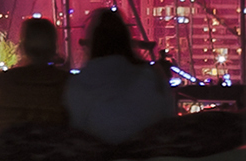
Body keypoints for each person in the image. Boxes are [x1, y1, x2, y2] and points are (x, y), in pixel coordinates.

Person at [68, 8, 174, 149]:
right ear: (127, 39)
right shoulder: (154, 78)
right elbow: (169, 122)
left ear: (92, 43)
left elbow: (78, 133)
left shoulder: (79, 84)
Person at [0, 18, 69, 151]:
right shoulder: (67, 82)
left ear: (22, 46)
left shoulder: (4, 81)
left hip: (11, 156)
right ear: (54, 46)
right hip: (56, 156)